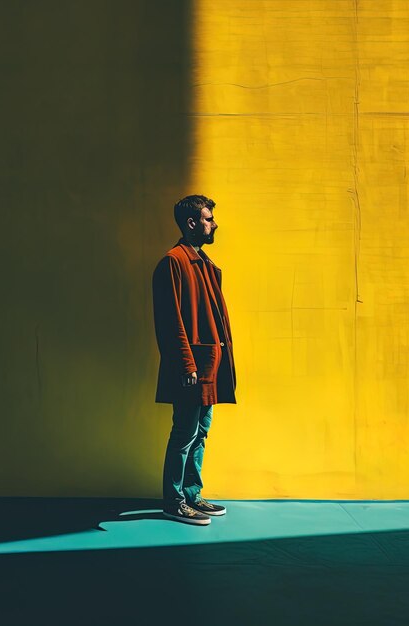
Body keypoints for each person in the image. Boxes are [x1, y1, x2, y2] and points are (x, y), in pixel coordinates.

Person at [152, 195, 237, 525]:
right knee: (184, 434)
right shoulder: (173, 262)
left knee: (200, 433)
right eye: (207, 218)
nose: (213, 223)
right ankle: (174, 501)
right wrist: (186, 364)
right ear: (191, 223)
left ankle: (191, 494)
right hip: (193, 367)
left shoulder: (203, 263)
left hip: (209, 365)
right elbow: (170, 320)